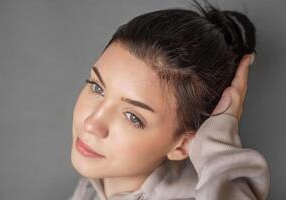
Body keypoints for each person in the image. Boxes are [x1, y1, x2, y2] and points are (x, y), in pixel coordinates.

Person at [68, 0, 270, 199]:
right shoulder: (92, 188)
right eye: (97, 88)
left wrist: (217, 139)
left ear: (183, 145)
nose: (92, 123)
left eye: (132, 117)